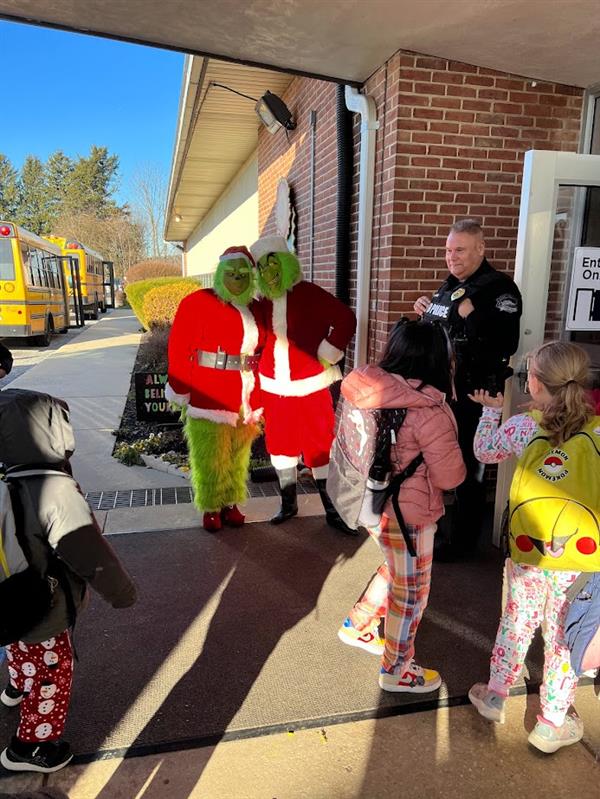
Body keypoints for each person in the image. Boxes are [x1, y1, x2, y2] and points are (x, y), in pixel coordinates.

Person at [468, 341, 599, 753]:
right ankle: (550, 723)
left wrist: (491, 410)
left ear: (535, 384)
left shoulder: (525, 428)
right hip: (581, 560)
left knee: (517, 621)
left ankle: (494, 696)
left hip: (528, 552)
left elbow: (483, 451)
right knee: (562, 636)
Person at [0, 388, 136, 774]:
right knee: (53, 670)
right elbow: (90, 552)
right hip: (45, 601)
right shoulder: (56, 490)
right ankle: (31, 746)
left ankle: (16, 688)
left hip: (9, 596)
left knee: (21, 645)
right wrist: (122, 593)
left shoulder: (6, 475)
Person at [337, 319, 466, 692]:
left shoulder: (366, 389)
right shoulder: (429, 410)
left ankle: (358, 625)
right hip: (410, 514)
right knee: (411, 593)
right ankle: (397, 669)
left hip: (369, 500)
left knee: (395, 568)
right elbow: (449, 478)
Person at [414, 219, 522, 560]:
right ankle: (443, 526)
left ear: (480, 249)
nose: (452, 257)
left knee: (469, 469)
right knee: (443, 461)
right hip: (443, 394)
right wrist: (424, 313)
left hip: (476, 398)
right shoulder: (448, 287)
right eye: (448, 250)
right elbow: (437, 336)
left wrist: (470, 315)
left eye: (459, 250)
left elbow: (507, 341)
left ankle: (462, 544)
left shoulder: (499, 289)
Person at [249, 236, 357, 534]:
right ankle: (288, 504)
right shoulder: (262, 303)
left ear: (286, 262)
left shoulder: (310, 293)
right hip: (274, 388)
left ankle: (332, 510)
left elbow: (346, 319)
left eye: (274, 263)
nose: (270, 272)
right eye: (263, 267)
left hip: (311, 385)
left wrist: (328, 351)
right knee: (281, 446)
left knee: (319, 446)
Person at [166, 246, 265, 532]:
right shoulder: (198, 302)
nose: (237, 278)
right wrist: (179, 387)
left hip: (246, 395)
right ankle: (211, 507)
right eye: (231, 272)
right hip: (210, 392)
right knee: (211, 456)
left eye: (243, 273)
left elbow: (268, 348)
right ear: (221, 273)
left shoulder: (256, 308)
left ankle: (232, 502)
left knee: (238, 455)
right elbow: (179, 347)